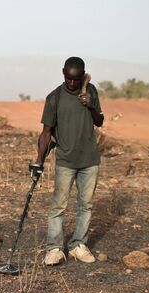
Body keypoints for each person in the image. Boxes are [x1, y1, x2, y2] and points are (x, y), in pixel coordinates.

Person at [33, 56, 104, 266]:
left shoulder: (90, 91)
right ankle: (54, 249)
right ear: (63, 73)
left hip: (90, 160)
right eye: (68, 78)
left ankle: (78, 245)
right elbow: (46, 132)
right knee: (58, 206)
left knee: (86, 205)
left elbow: (99, 121)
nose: (72, 83)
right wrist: (39, 160)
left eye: (76, 79)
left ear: (82, 75)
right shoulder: (54, 97)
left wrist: (91, 106)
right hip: (65, 160)